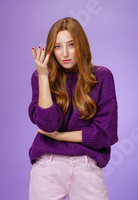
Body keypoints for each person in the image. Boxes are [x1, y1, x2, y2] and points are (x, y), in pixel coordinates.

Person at [28, 17, 118, 200]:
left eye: (71, 44)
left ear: (81, 45)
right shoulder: (40, 77)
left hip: (86, 167)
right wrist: (44, 77)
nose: (65, 53)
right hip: (48, 167)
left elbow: (104, 133)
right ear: (51, 50)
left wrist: (60, 137)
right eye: (58, 46)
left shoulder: (102, 77)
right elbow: (48, 125)